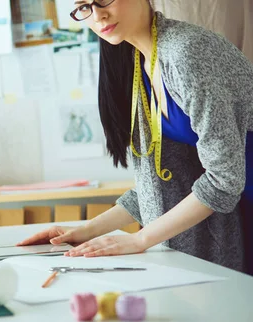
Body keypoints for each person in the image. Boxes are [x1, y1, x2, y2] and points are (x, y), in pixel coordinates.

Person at [18, 0, 253, 274]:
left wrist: (140, 238)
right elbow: (163, 182)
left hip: (234, 199)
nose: (98, 15)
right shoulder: (141, 61)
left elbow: (224, 180)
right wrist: (85, 230)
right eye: (84, 7)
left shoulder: (187, 52)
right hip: (233, 207)